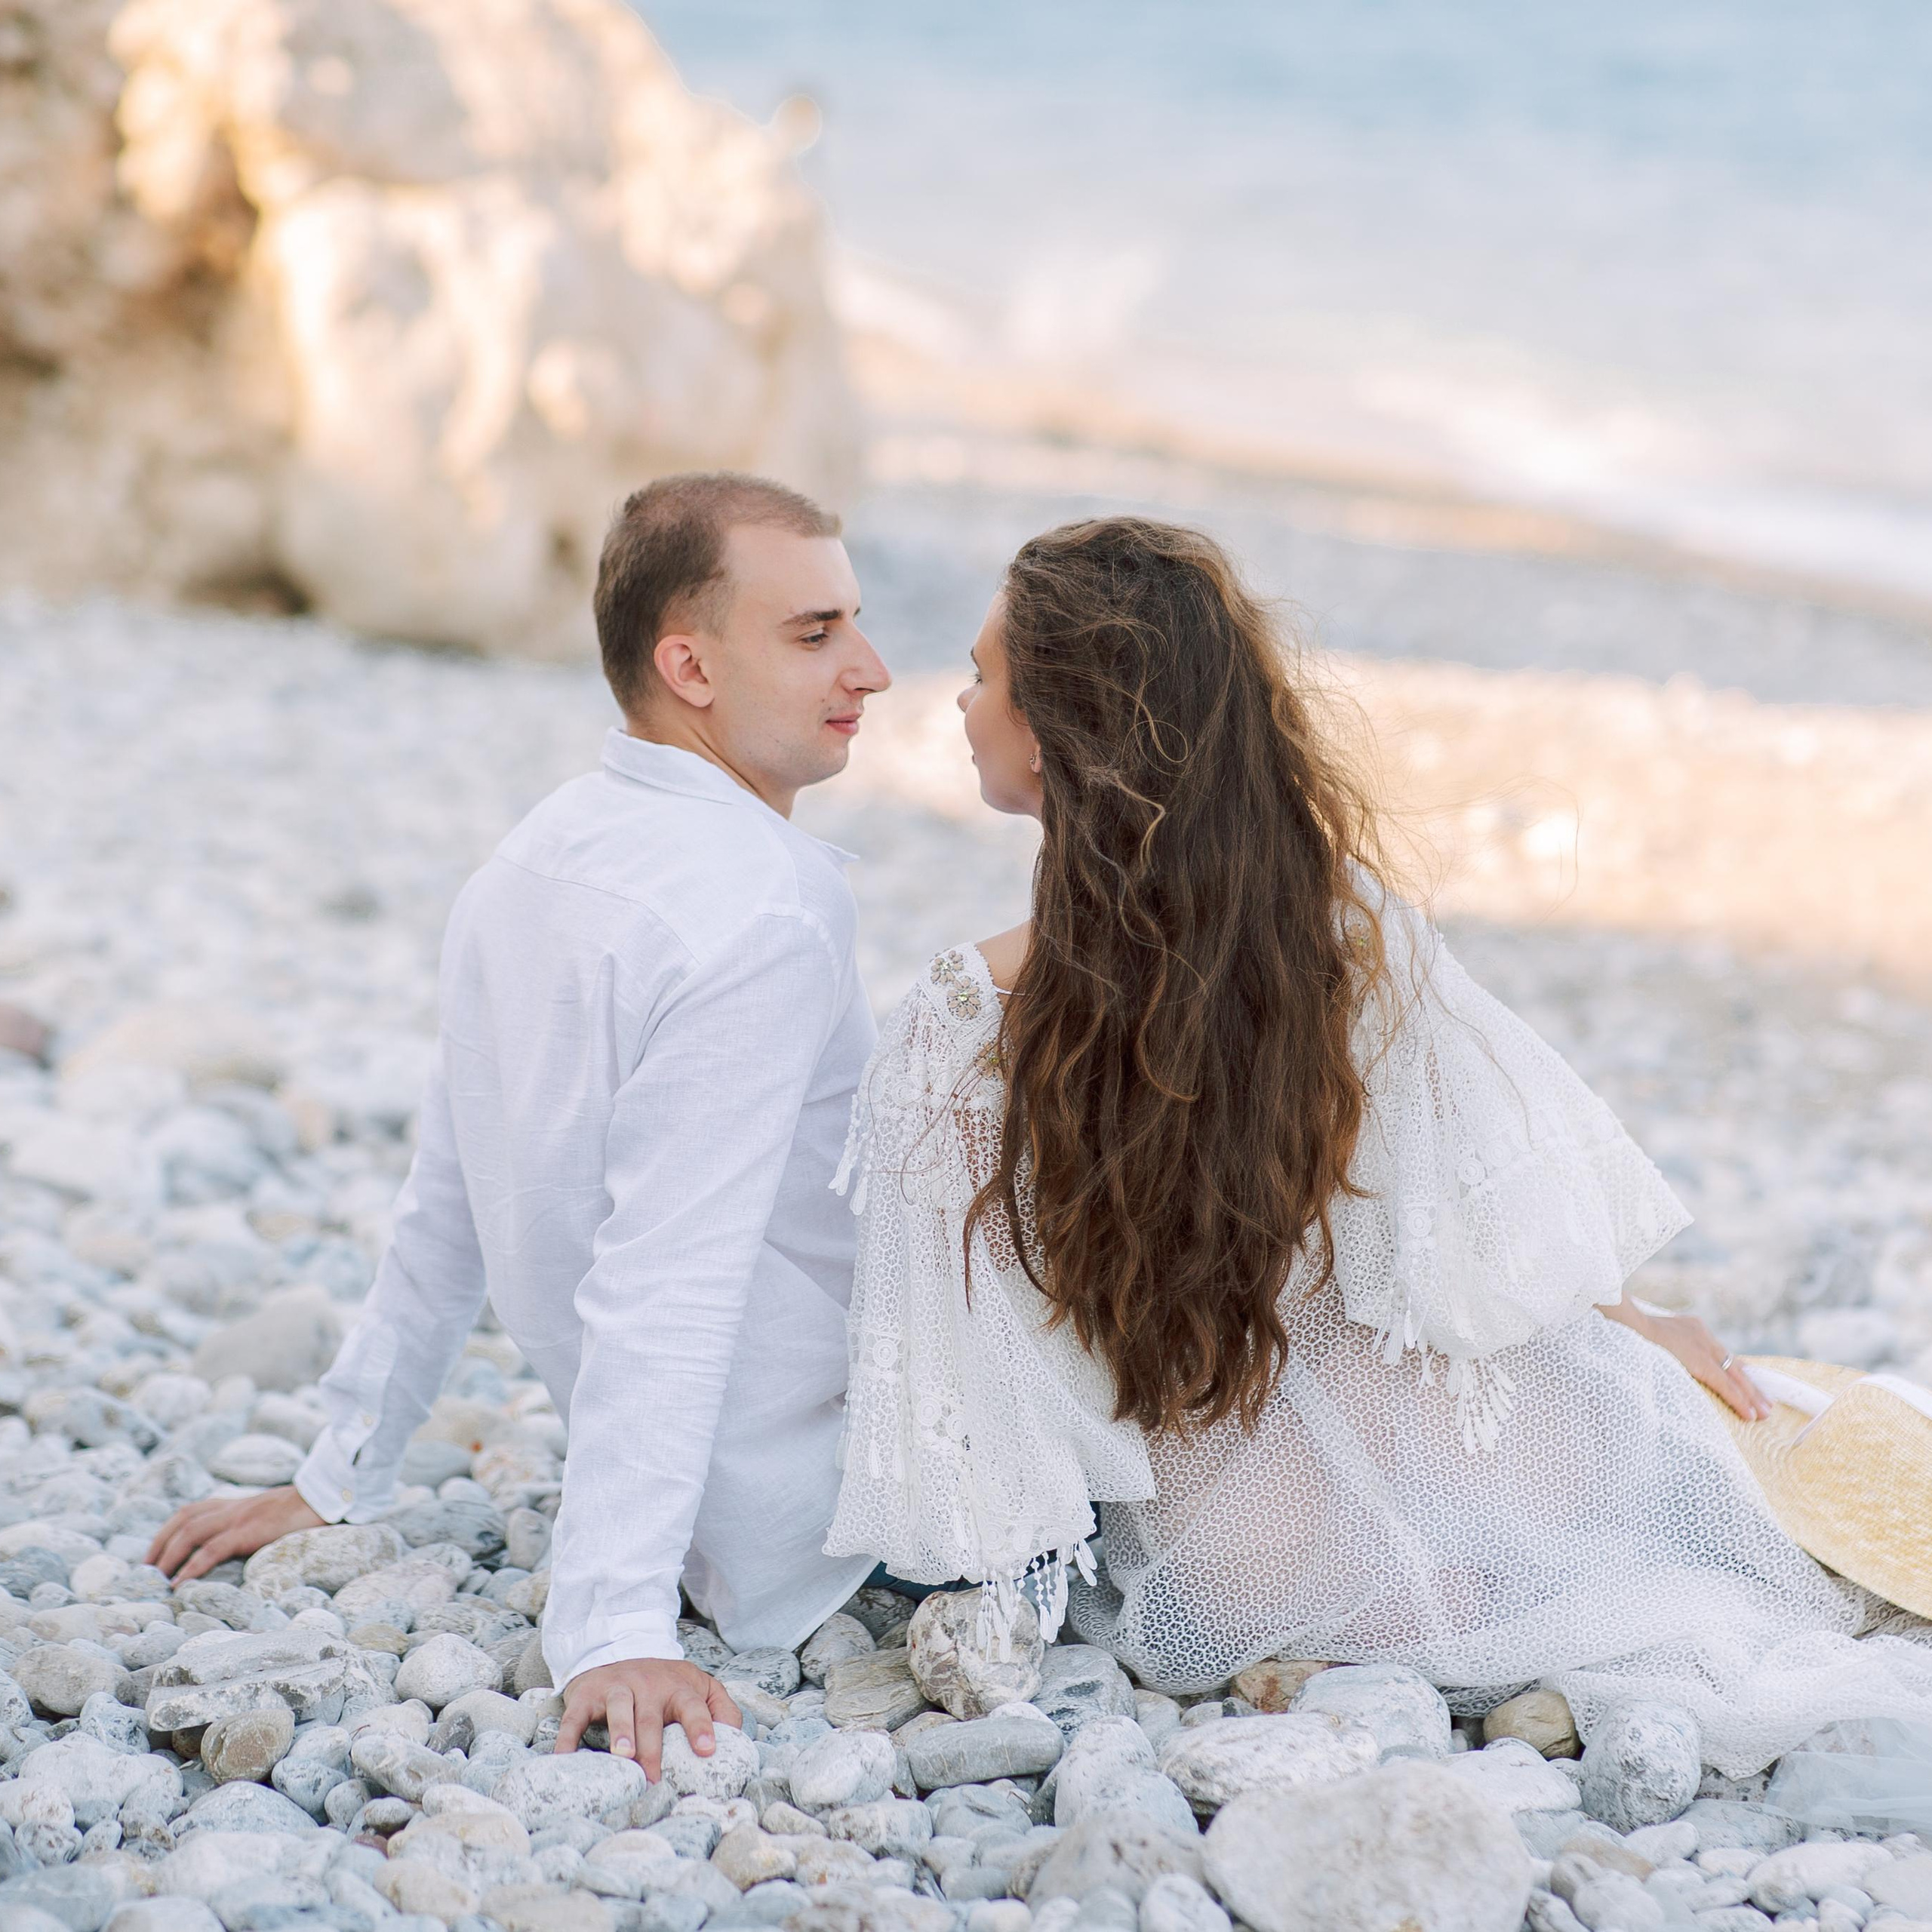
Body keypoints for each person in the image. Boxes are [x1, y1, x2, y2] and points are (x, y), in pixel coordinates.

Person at [825, 514, 1932, 1774]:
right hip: (1438, 1489)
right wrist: (1630, 1320)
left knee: (1771, 1443)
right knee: (1788, 1454)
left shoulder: (956, 1021)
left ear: (1057, 728)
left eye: (982, 675)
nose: (962, 701)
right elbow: (1471, 1241)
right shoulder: (1340, 932)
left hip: (1222, 1563)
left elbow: (969, 1406)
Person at [149, 472, 891, 1778]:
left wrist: (343, 1469)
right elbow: (667, 1281)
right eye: (815, 631)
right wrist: (613, 1623)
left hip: (717, 1488)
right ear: (689, 666)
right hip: (822, 1507)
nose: (872, 670)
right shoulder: (764, 918)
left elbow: (451, 1188)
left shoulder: (534, 857)